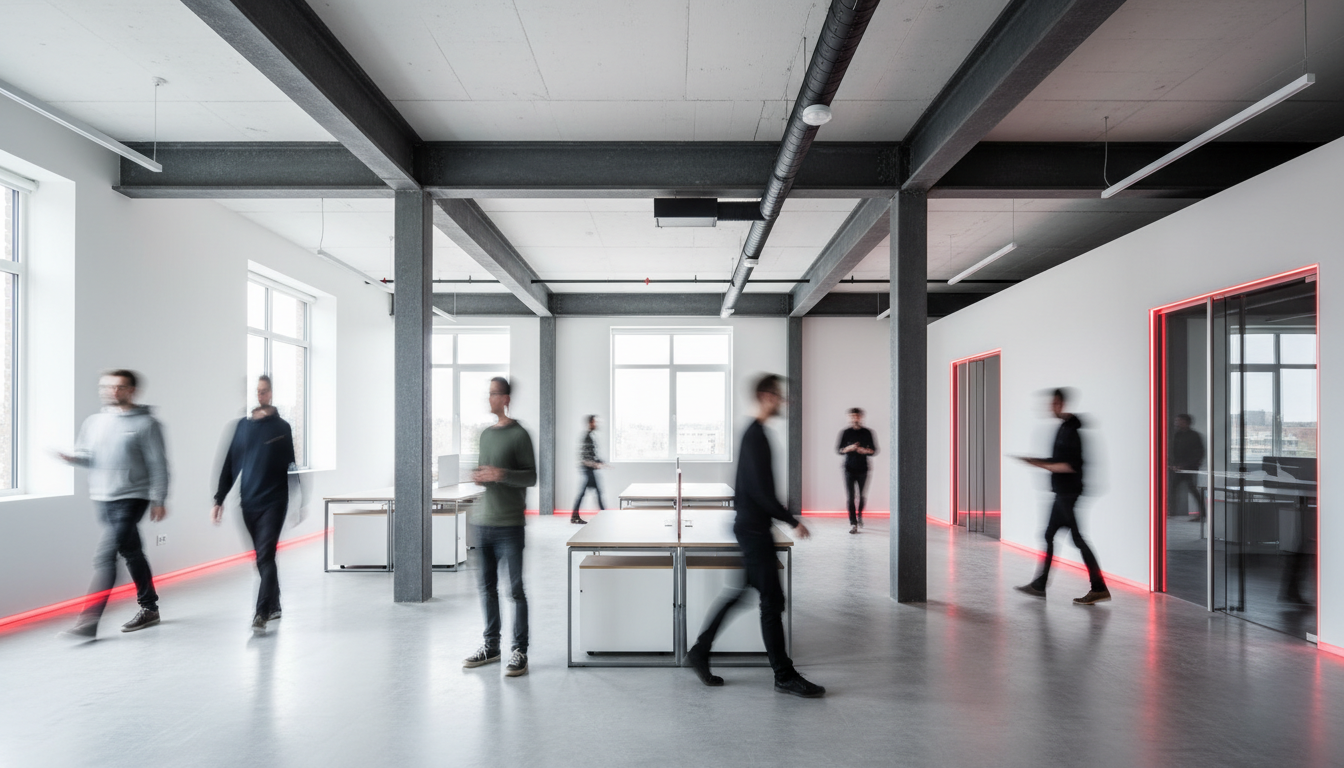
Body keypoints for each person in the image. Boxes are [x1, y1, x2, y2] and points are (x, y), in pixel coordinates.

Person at [686, 374, 825, 699]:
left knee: (743, 594)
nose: (783, 400)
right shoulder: (755, 436)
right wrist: (791, 521)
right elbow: (761, 492)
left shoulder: (755, 433)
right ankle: (783, 675)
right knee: (772, 602)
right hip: (753, 531)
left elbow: (754, 490)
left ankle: (700, 650)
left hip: (752, 528)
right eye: (778, 395)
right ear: (765, 396)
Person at [57, 370, 169, 639]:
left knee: (105, 556)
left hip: (132, 497)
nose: (112, 391)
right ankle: (150, 608)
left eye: (119, 387)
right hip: (103, 497)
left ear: (132, 391)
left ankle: (89, 621)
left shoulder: (147, 424)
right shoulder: (94, 422)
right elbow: (89, 457)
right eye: (106, 386)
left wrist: (159, 499)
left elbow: (158, 465)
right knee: (132, 552)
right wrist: (73, 458)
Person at [462, 377, 537, 678]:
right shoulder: (484, 435)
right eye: (488, 393)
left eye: (494, 394)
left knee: (515, 591)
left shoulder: (520, 435)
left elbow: (531, 477)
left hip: (510, 524)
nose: (489, 398)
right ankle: (491, 647)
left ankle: (520, 651)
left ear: (505, 398)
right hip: (484, 522)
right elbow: (486, 471)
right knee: (487, 589)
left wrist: (501, 474)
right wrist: (480, 475)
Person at [212, 375, 297, 632]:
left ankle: (261, 612)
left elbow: (291, 467)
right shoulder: (242, 427)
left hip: (275, 502)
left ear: (271, 393)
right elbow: (230, 465)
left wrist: (299, 500)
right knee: (262, 559)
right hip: (248, 503)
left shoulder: (282, 427)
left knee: (266, 555)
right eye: (257, 391)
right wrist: (219, 499)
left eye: (264, 391)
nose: (260, 395)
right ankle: (275, 604)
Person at [1015, 388, 1110, 605]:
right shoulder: (1064, 428)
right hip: (1062, 493)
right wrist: (1036, 461)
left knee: (1077, 539)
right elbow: (1057, 459)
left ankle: (1099, 587)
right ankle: (1040, 584)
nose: (1051, 407)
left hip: (1068, 493)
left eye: (1054, 403)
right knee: (1050, 535)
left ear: (1062, 404)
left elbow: (1068, 466)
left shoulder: (1072, 432)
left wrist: (1038, 464)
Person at [837, 407, 878, 534]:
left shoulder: (867, 432)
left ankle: (859, 516)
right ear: (849, 418)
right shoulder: (845, 432)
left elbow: (874, 450)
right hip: (848, 469)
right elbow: (839, 450)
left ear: (861, 417)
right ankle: (853, 523)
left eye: (857, 416)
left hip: (863, 468)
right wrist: (849, 448)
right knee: (850, 497)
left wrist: (864, 451)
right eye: (852, 416)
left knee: (861, 496)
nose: (855, 418)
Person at [1170, 413, 1206, 522]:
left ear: (1186, 422)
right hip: (1179, 468)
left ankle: (1202, 513)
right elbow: (1175, 451)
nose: (1177, 423)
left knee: (1193, 490)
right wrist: (1175, 464)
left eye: (1179, 421)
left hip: (1190, 468)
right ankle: (1171, 511)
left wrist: (1186, 465)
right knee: (1173, 488)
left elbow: (1199, 453)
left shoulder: (1194, 436)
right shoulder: (1178, 435)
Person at [570, 415, 605, 524]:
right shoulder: (587, 437)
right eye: (594, 422)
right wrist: (595, 463)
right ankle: (604, 514)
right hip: (587, 469)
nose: (596, 424)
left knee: (593, 493)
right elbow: (584, 457)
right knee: (594, 493)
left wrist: (598, 461)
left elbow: (590, 455)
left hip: (589, 469)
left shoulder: (589, 436)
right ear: (590, 423)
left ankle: (575, 516)